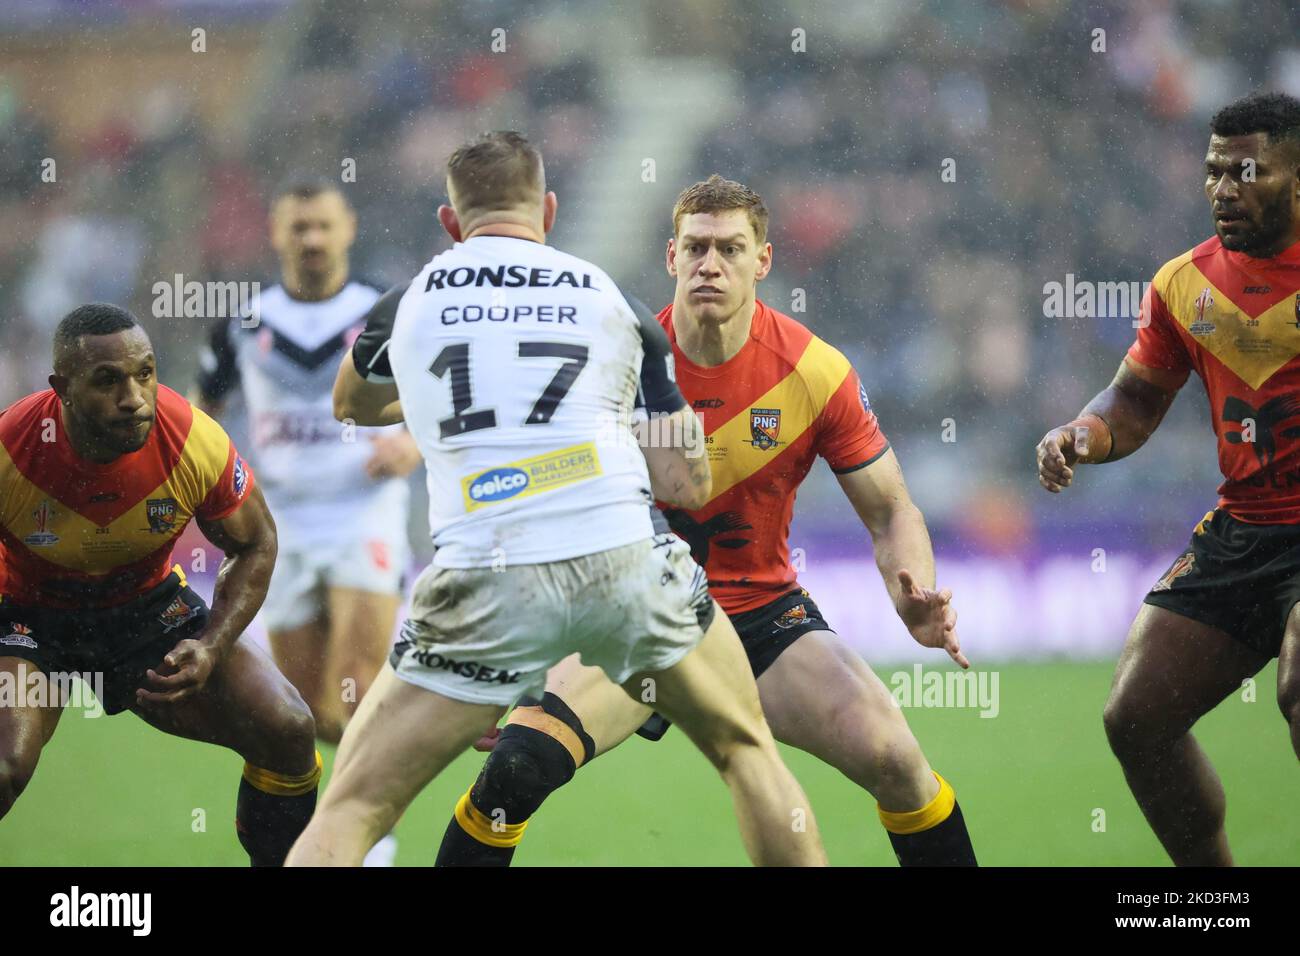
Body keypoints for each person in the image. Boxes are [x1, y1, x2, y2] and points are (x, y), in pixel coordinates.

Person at [286, 133, 826, 866]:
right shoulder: (612, 299)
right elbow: (681, 484)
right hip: (624, 557)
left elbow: (351, 404)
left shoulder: (409, 298)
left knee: (353, 806)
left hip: (481, 574)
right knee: (744, 749)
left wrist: (445, 408)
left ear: (452, 224)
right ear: (548, 209)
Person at [434, 175, 978, 867]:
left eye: (729, 248)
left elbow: (892, 510)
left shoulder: (814, 372)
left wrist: (912, 591)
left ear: (764, 260)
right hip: (630, 614)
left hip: (762, 620)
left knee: (900, 763)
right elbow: (523, 505)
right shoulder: (609, 364)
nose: (709, 264)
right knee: (516, 770)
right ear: (670, 256)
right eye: (695, 247)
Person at [1036, 91, 1300, 865]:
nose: (1224, 188)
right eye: (1214, 171)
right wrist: (1080, 434)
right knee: (1136, 718)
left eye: (1247, 171)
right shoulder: (1185, 284)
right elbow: (1137, 399)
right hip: (1245, 529)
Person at [0, 303, 318, 866]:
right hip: (29, 615)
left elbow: (255, 543)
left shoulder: (193, 438)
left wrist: (212, 644)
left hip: (146, 613)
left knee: (288, 729)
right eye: (107, 381)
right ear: (61, 388)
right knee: (6, 766)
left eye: (145, 373)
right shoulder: (11, 450)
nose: (134, 398)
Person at [192, 179, 422, 864]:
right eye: (300, 229)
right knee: (306, 709)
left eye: (324, 226)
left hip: (365, 507)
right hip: (278, 521)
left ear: (348, 227)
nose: (313, 240)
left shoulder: (387, 309)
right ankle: (359, 805)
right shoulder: (243, 321)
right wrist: (213, 486)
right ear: (277, 234)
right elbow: (202, 414)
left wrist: (412, 441)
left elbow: (437, 391)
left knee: (357, 682)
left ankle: (365, 839)